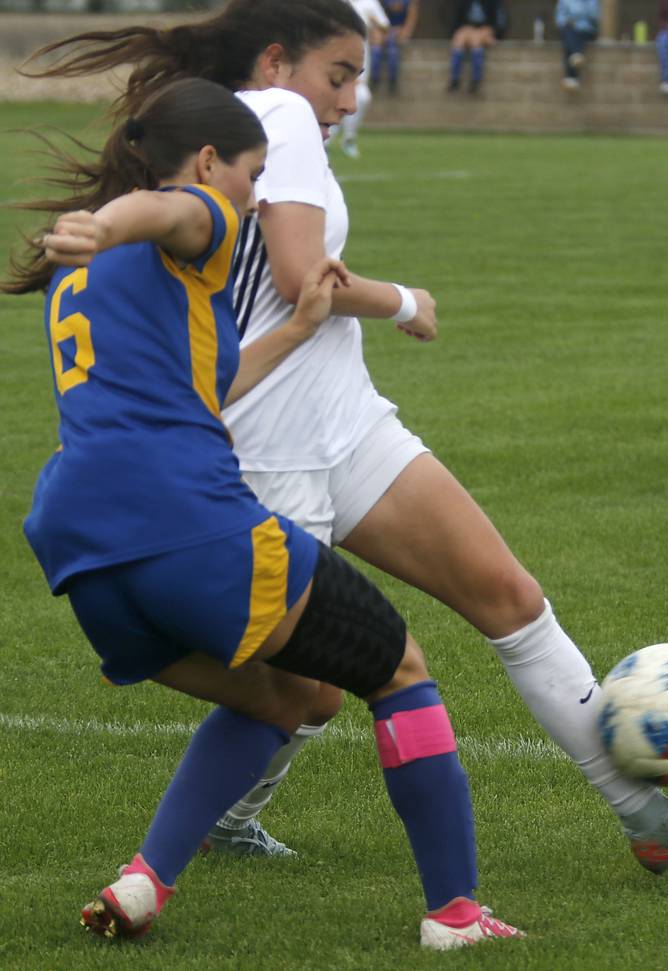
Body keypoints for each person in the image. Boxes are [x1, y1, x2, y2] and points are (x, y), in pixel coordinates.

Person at [25, 0, 668, 881]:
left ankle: (646, 812)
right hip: (269, 446)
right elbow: (307, 275)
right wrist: (404, 300)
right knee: (316, 686)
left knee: (506, 595)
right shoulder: (280, 118)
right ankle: (243, 827)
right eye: (340, 73)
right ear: (277, 62)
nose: (348, 98)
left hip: (341, 416)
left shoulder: (243, 125)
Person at [2, 75, 524, 950]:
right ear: (209, 162)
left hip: (86, 552)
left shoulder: (84, 281)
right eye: (253, 171)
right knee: (398, 666)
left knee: (290, 695)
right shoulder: (194, 217)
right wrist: (116, 218)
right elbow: (169, 214)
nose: (257, 190)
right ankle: (455, 914)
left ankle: (144, 880)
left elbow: (204, 391)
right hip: (187, 523)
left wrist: (298, 324)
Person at [337, 0, 390, 158]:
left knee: (362, 96)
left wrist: (374, 24)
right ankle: (323, 140)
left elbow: (384, 27)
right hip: (335, 58)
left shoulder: (369, 3)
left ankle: (348, 138)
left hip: (360, 61)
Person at [447, 0, 506, 93]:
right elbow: (456, 20)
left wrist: (496, 34)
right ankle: (455, 80)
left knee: (476, 40)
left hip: (486, 29)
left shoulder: (493, 2)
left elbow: (500, 21)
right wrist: (461, 31)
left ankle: (476, 79)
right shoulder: (463, 2)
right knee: (459, 40)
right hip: (468, 29)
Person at [370, 0, 420, 93]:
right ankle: (374, 80)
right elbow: (377, 16)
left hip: (399, 31)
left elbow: (411, 20)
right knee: (376, 50)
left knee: (393, 52)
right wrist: (382, 31)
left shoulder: (410, 3)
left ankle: (392, 82)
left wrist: (405, 32)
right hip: (383, 30)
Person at [554, 0, 599, 91]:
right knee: (569, 34)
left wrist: (576, 16)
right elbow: (560, 18)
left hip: (587, 29)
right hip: (570, 28)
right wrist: (569, 21)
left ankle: (571, 77)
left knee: (570, 39)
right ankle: (577, 55)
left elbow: (594, 15)